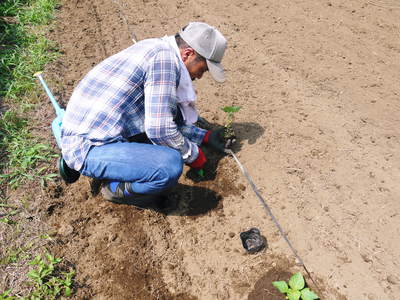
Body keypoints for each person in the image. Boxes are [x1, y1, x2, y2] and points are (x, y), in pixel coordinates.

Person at [60, 22, 230, 204]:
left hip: (90, 129)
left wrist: (204, 136)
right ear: (188, 53)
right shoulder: (165, 62)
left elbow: (164, 118)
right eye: (202, 69)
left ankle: (104, 166)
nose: (200, 76)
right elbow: (160, 130)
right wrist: (194, 156)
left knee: (172, 123)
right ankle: (114, 188)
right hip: (88, 147)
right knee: (168, 166)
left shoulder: (157, 47)